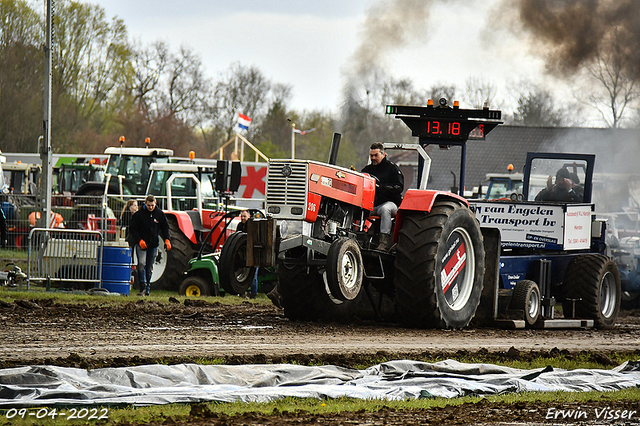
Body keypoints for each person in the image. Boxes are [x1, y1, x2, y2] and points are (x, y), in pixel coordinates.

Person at [361, 142, 404, 251]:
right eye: (371, 156)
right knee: (357, 208)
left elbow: (399, 187)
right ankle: (359, 236)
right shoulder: (367, 170)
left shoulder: (392, 169)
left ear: (383, 154)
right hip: (371, 204)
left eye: (376, 155)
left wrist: (382, 188)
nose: (373, 158)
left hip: (390, 203)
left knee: (385, 209)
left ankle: (384, 242)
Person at [128, 195, 171, 296]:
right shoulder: (139, 215)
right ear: (145, 204)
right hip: (142, 244)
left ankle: (147, 288)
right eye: (148, 205)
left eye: (152, 205)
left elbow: (165, 227)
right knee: (142, 264)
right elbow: (133, 229)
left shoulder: (159, 214)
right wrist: (139, 240)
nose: (150, 207)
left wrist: (167, 239)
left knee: (150, 267)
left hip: (154, 244)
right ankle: (142, 285)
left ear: (155, 204)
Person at [236, 209, 257, 298]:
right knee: (242, 274)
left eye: (244, 216)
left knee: (253, 275)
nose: (243, 218)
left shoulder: (252, 225)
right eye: (241, 216)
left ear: (249, 216)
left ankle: (253, 294)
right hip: (243, 254)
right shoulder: (240, 225)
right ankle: (242, 293)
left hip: (252, 253)